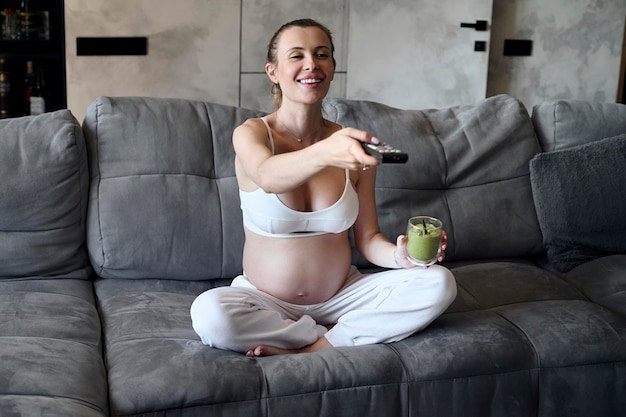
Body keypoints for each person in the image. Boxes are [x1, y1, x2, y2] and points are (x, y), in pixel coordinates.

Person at [190, 18, 456, 357]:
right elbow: (268, 176)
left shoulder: (350, 147)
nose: (311, 64)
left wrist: (399, 256)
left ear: (331, 68)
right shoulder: (252, 134)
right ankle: (336, 335)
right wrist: (326, 151)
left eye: (321, 54)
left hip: (342, 296)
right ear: (273, 71)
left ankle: (315, 345)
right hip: (266, 301)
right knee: (209, 314)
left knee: (439, 283)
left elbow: (368, 239)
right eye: (296, 55)